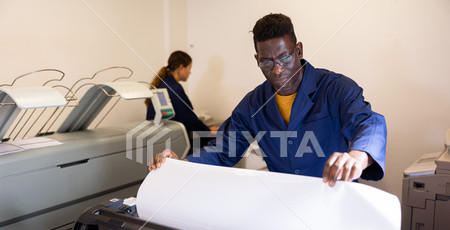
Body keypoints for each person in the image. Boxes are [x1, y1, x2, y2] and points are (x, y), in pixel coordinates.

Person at [149, 13, 387, 187]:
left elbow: (369, 123)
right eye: (266, 62)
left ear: (299, 50)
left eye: (284, 58)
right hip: (284, 201)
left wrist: (358, 156)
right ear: (257, 59)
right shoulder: (253, 104)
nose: (277, 70)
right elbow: (222, 150)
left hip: (334, 197)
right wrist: (181, 163)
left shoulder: (336, 88)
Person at [145, 51, 217, 152]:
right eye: (189, 68)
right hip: (172, 141)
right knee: (217, 141)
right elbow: (188, 118)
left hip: (159, 140)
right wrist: (208, 130)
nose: (190, 72)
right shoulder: (174, 88)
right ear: (181, 67)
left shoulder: (163, 84)